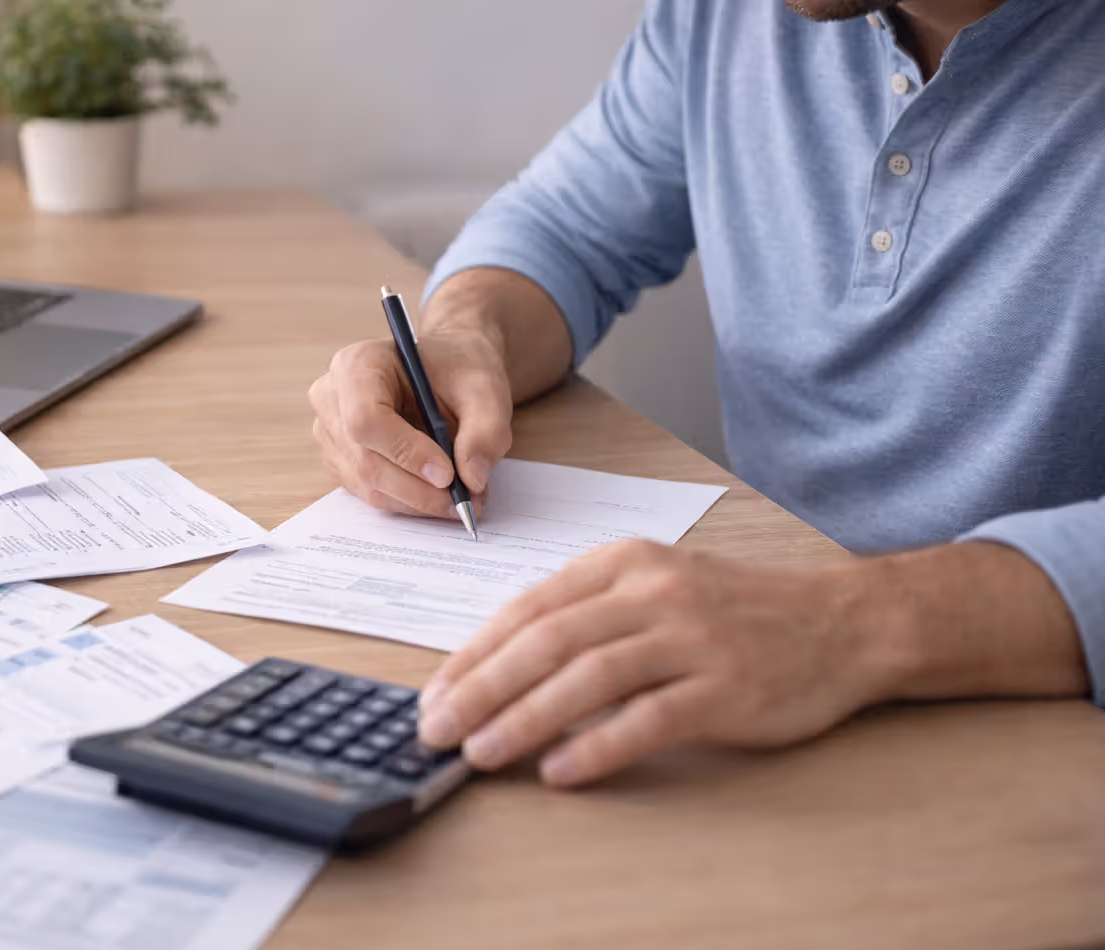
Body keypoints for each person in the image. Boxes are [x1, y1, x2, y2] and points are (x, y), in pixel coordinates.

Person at [307, 0, 1104, 788]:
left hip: (1031, 733)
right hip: (749, 667)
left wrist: (846, 622)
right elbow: (567, 228)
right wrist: (467, 338)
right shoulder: (725, 17)